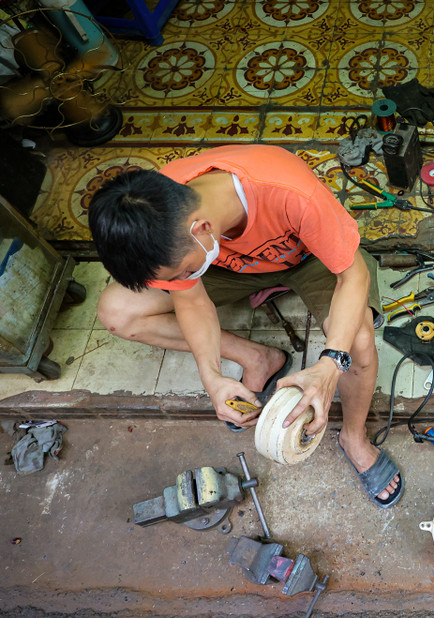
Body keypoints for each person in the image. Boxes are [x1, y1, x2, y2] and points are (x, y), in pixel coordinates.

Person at [88, 144, 402, 508]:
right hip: (232, 269)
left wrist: (330, 363)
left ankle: (353, 436)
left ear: (201, 229)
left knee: (359, 341)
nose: (183, 279)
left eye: (184, 272)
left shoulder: (290, 192)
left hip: (313, 259)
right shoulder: (157, 216)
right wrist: (213, 377)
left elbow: (353, 275)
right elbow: (192, 299)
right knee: (117, 310)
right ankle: (258, 358)